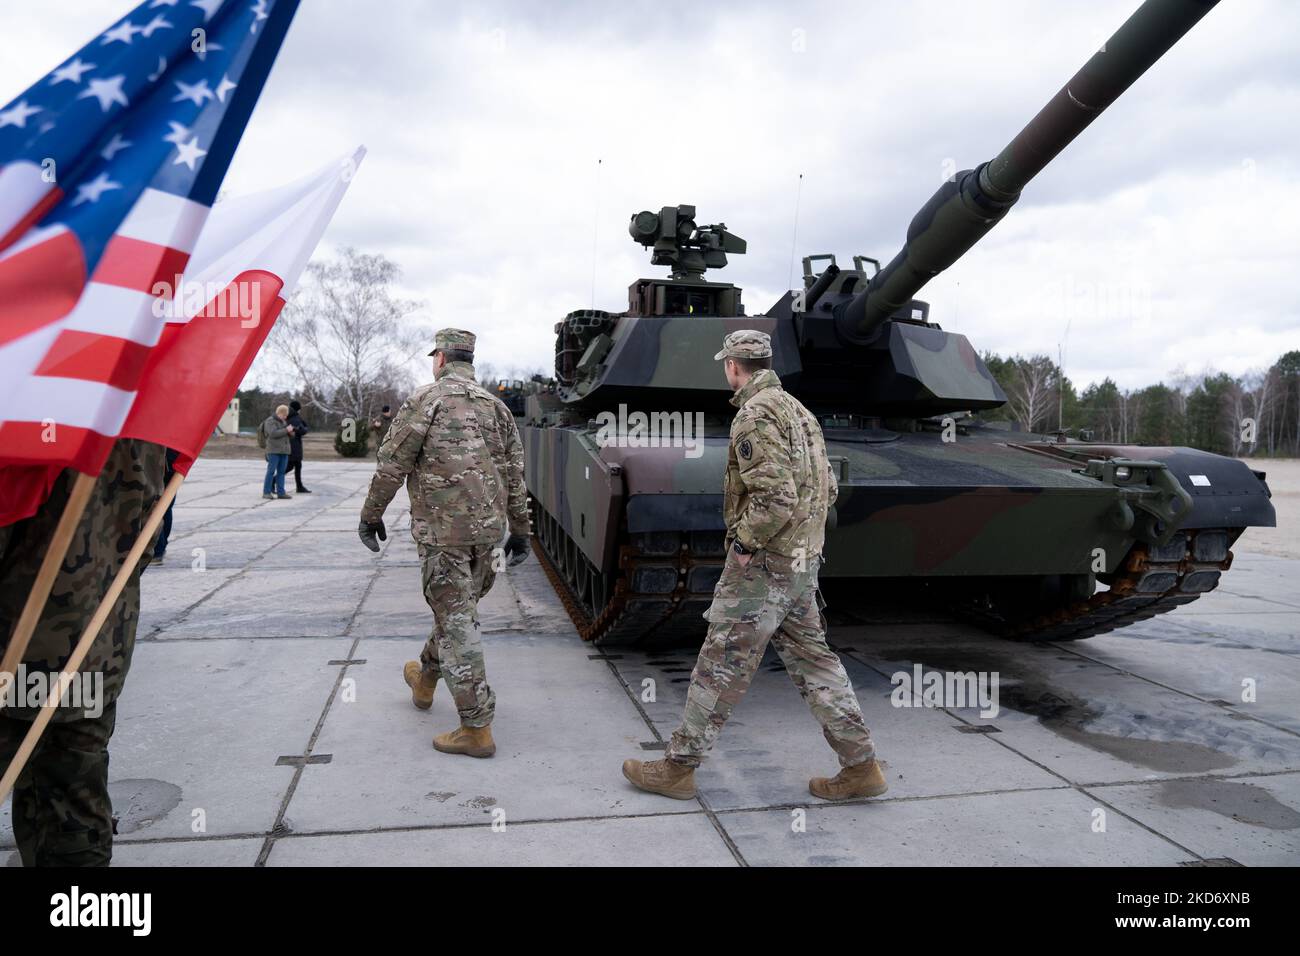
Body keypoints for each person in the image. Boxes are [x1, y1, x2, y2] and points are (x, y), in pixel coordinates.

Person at [621, 330, 885, 802]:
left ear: (732, 366)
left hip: (766, 565)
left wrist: (744, 544)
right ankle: (861, 766)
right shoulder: (800, 412)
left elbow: (776, 496)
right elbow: (827, 489)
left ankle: (678, 768)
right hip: (802, 561)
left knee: (720, 662)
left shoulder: (755, 414)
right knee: (815, 662)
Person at [358, 328, 530, 758]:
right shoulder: (499, 409)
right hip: (489, 540)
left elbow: (391, 464)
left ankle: (476, 727)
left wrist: (371, 515)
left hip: (443, 538)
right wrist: (522, 529)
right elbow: (514, 477)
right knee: (457, 616)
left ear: (440, 358)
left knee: (457, 624)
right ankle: (425, 679)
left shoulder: (425, 401)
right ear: (469, 360)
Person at [0, 438, 166, 866]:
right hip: (90, 644)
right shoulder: (139, 415)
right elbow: (146, 533)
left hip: (14, 647)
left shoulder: (30, 396)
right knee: (72, 808)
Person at [151, 447, 180, 564]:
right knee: (166, 505)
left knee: (155, 504)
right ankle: (160, 548)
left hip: (162, 458)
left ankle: (157, 550)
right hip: (175, 458)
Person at [261, 405, 293, 500]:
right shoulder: (270, 421)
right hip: (274, 451)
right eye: (284, 415)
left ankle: (281, 492)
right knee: (271, 471)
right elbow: (273, 433)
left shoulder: (283, 421)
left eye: (286, 415)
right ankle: (266, 492)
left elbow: (284, 434)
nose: (285, 417)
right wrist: (286, 430)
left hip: (284, 451)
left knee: (281, 472)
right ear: (279, 413)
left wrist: (291, 433)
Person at [286, 400, 312, 494]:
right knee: (290, 466)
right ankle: (273, 481)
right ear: (297, 409)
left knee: (297, 466)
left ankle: (299, 486)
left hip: (290, 444)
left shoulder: (288, 416)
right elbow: (302, 431)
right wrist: (305, 428)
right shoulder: (296, 418)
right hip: (295, 445)